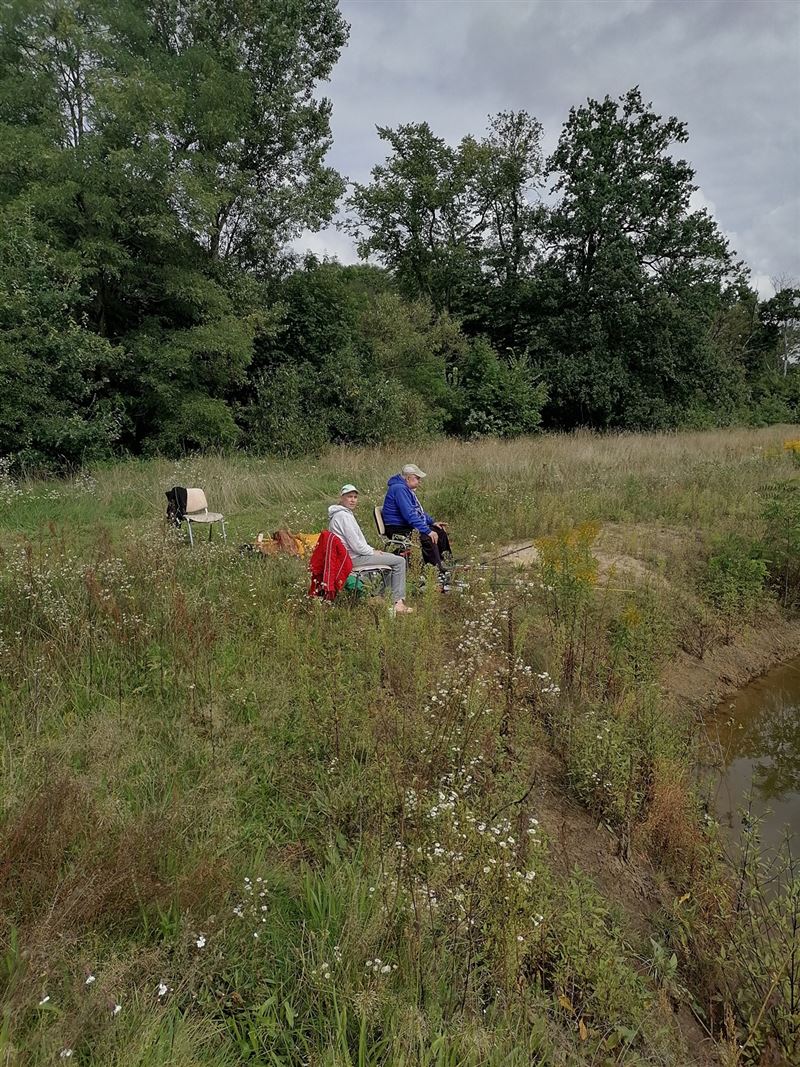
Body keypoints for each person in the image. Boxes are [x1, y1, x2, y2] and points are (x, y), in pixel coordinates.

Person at [328, 484, 414, 615]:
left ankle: (380, 597)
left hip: (352, 556)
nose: (353, 500)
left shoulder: (342, 514)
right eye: (349, 497)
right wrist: (372, 552)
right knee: (399, 561)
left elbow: (357, 543)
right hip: (353, 558)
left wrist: (372, 550)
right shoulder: (343, 516)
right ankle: (398, 603)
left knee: (391, 559)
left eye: (355, 497)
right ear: (341, 498)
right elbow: (356, 546)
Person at [382, 464, 452, 576]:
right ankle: (435, 571)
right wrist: (427, 530)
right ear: (408, 478)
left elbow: (417, 511)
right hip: (396, 528)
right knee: (428, 537)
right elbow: (409, 515)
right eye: (417, 478)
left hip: (404, 525)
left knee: (439, 531)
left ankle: (446, 561)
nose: (419, 481)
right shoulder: (399, 489)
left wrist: (432, 522)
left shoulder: (405, 488)